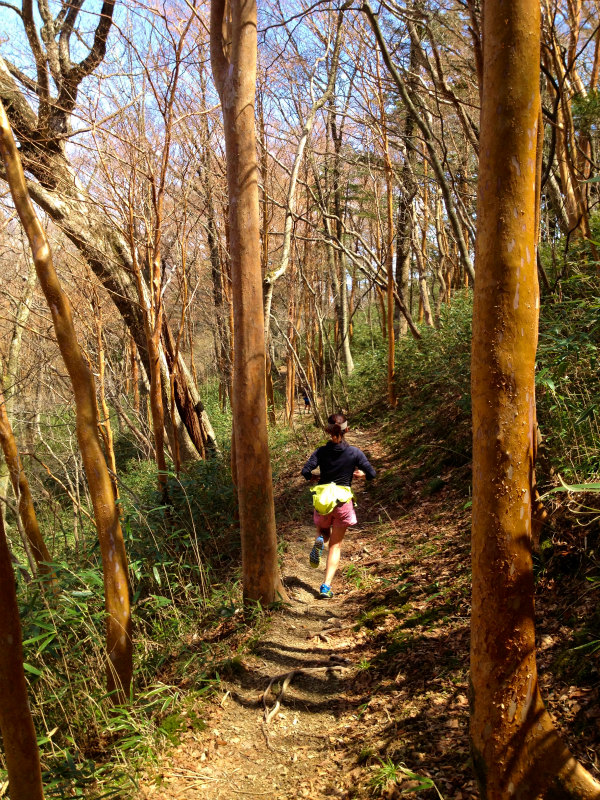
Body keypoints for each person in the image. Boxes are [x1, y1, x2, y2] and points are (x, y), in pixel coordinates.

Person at [301, 413, 375, 598]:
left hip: (323, 500)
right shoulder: (355, 453)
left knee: (324, 533)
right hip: (342, 502)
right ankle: (325, 586)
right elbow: (372, 473)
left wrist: (314, 478)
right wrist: (362, 476)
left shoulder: (320, 452)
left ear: (327, 430)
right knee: (335, 546)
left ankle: (319, 539)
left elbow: (305, 471)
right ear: (347, 430)